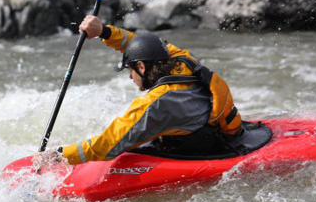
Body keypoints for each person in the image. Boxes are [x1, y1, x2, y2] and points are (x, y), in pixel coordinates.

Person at [37, 15, 244, 167]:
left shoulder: (156, 104)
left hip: (203, 149)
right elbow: (139, 43)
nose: (129, 77)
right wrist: (104, 31)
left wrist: (58, 155)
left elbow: (107, 144)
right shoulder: (183, 59)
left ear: (142, 68)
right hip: (224, 132)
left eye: (130, 70)